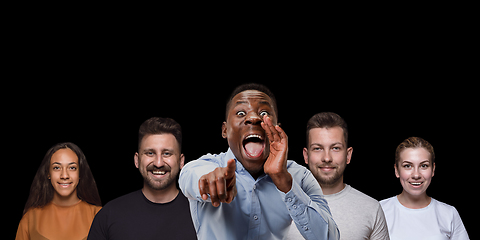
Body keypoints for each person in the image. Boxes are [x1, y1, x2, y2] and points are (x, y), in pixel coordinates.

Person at [179, 83, 339, 240]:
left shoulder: (300, 176)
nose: (254, 118)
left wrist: (284, 182)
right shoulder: (201, 166)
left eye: (264, 113)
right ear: (225, 130)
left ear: (277, 128)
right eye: (241, 113)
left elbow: (330, 237)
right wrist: (209, 183)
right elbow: (191, 177)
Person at [87, 117, 197, 240]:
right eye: (150, 153)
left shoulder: (201, 214)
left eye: (167, 153)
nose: (158, 163)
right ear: (137, 160)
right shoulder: (109, 214)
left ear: (181, 161)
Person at [288, 112, 389, 240]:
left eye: (335, 148)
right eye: (318, 148)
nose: (327, 158)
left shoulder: (371, 208)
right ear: (306, 155)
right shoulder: (279, 207)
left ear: (348, 155)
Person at [380, 136, 469, 240]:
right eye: (408, 166)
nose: (416, 175)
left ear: (433, 169)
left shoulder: (449, 213)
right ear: (397, 170)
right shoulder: (379, 210)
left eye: (424, 166)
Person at [16, 142, 102, 240]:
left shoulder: (98, 215)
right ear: (48, 173)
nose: (64, 176)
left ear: (80, 173)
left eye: (72, 168)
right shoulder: (31, 218)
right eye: (57, 168)